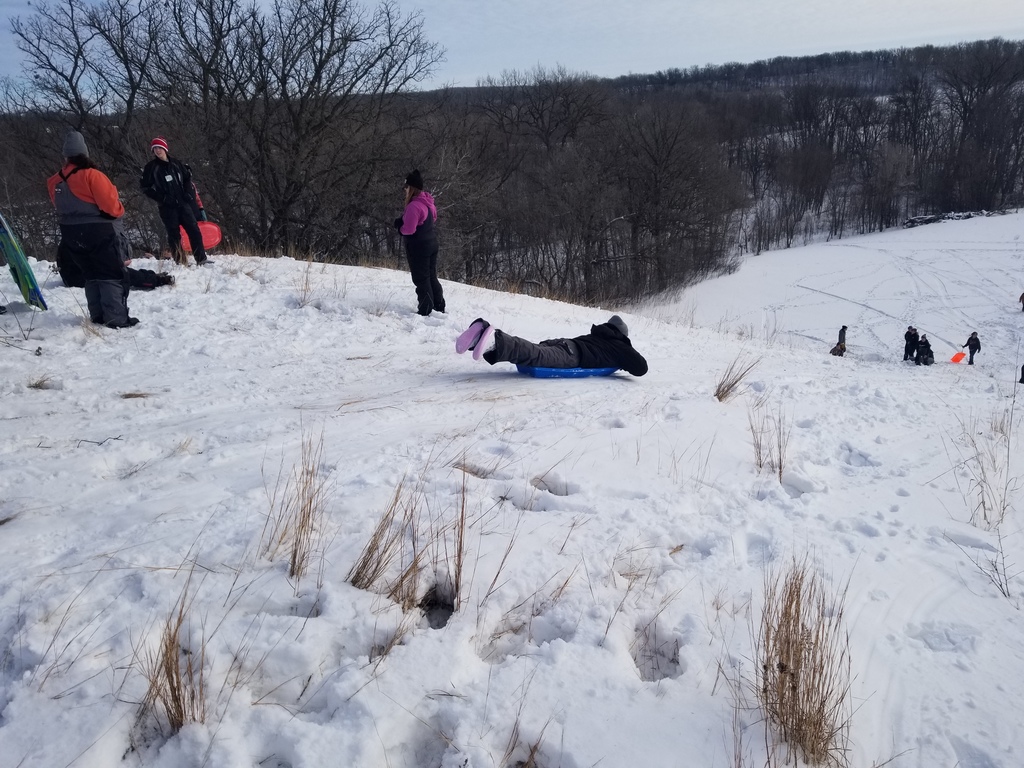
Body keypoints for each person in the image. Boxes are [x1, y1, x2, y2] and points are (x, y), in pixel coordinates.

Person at [46, 131, 138, 328]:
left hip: (70, 234)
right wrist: (120, 210)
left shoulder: (54, 181)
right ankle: (116, 319)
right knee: (110, 274)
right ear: (84, 153)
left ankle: (97, 316)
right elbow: (111, 208)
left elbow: (59, 206)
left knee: (90, 274)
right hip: (99, 231)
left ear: (66, 156)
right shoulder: (93, 175)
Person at [455, 315, 648, 376]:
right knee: (535, 355)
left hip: (565, 342)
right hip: (573, 354)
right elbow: (641, 368)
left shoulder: (598, 334)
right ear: (622, 334)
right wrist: (625, 356)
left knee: (533, 350)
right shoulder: (620, 345)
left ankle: (478, 337)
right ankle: (493, 341)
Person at [140, 136, 211, 266]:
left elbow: (187, 179)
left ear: (165, 148)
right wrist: (162, 198)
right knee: (174, 234)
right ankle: (181, 261)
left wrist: (189, 194)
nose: (157, 150)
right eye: (155, 148)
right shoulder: (151, 167)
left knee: (194, 230)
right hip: (167, 207)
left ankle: (201, 258)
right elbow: (145, 187)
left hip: (183, 204)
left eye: (160, 147)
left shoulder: (176, 163)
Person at [394, 170, 444, 316]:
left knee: (421, 279)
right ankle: (439, 305)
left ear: (412, 188)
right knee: (431, 276)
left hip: (418, 246)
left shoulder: (414, 206)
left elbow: (409, 230)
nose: (404, 190)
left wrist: (399, 227)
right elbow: (432, 219)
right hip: (432, 243)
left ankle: (425, 309)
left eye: (406, 187)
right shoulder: (429, 203)